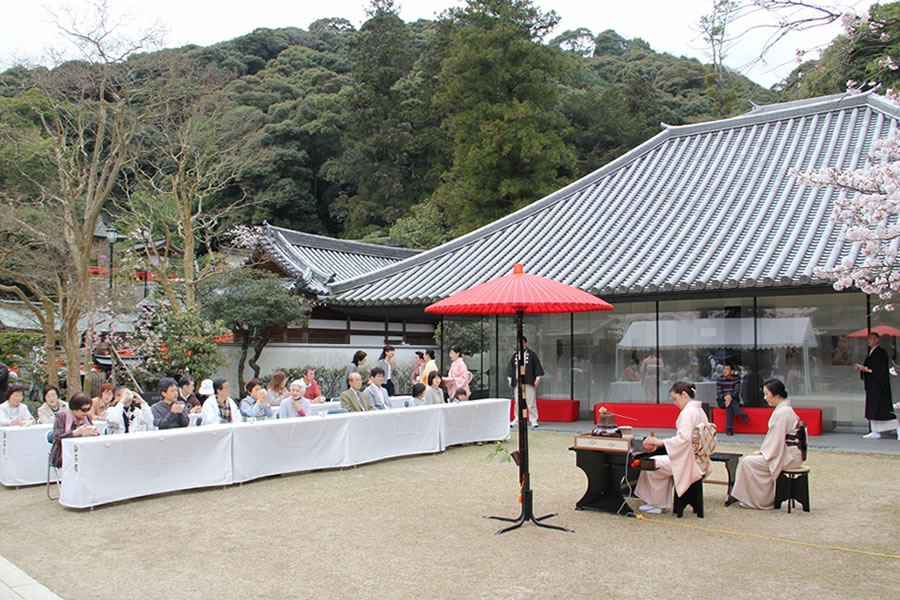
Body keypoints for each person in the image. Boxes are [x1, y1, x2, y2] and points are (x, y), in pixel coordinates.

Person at [635, 381, 713, 513]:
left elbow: (683, 439)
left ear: (684, 395)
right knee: (658, 462)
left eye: (675, 399)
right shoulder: (699, 411)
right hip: (698, 458)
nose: (674, 403)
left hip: (688, 461)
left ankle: (657, 503)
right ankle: (657, 500)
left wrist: (660, 443)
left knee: (651, 463)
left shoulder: (688, 413)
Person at [728, 379, 804, 509]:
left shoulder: (783, 412)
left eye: (767, 394)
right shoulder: (784, 410)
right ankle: (750, 497)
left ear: (775, 394)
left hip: (789, 455)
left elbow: (777, 438)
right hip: (788, 452)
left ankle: (759, 501)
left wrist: (764, 452)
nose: (765, 397)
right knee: (751, 461)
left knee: (748, 462)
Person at [855, 332, 900, 439]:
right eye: (868, 338)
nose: (868, 340)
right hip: (872, 386)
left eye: (871, 338)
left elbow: (881, 370)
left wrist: (868, 370)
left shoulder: (881, 353)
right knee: (873, 409)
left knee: (883, 410)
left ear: (877, 340)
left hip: (880, 387)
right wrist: (863, 369)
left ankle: (898, 428)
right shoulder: (871, 352)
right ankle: (875, 431)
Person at [50, 392, 100, 468]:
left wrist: (94, 432)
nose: (86, 412)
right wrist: (75, 433)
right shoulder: (62, 416)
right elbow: (57, 437)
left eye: (88, 409)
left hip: (85, 451)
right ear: (74, 408)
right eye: (83, 410)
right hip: (63, 452)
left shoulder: (87, 417)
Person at [505, 337, 544, 427]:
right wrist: (510, 379)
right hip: (518, 382)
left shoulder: (532, 355)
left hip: (529, 381)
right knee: (518, 402)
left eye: (521, 343)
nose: (520, 345)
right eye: (518, 343)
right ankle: (517, 418)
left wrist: (538, 379)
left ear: (526, 343)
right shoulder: (515, 355)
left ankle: (533, 419)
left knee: (531, 402)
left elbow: (537, 367)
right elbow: (511, 368)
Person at [716, 362, 748, 435]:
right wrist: (726, 397)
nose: (724, 370)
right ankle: (740, 413)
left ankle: (729, 429)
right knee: (729, 403)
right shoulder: (719, 379)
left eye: (727, 369)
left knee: (729, 405)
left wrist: (730, 397)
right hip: (722, 400)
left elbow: (736, 391)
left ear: (732, 371)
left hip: (733, 400)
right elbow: (719, 393)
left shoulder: (736, 379)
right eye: (724, 368)